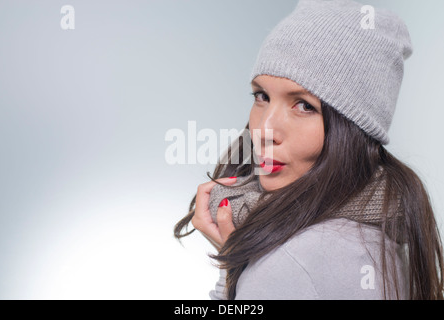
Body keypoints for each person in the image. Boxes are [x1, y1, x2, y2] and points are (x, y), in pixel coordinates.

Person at [173, 0, 444, 300]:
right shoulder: (384, 238)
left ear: (352, 130)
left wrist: (237, 272)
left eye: (304, 106)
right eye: (261, 96)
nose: (264, 130)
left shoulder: (288, 263)